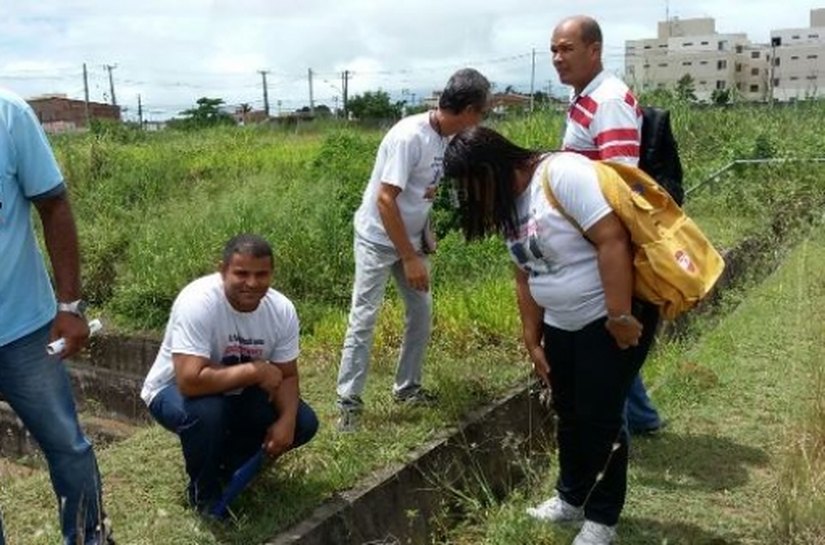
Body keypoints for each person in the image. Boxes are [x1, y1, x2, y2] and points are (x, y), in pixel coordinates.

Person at [443, 127, 659, 544]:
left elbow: (611, 240)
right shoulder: (509, 203)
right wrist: (532, 338)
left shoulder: (560, 175)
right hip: (562, 324)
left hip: (607, 319)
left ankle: (602, 520)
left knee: (601, 417)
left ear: (491, 169)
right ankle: (570, 499)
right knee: (569, 413)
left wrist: (618, 315)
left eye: (472, 185)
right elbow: (524, 274)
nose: (472, 197)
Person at [335, 68, 491, 432]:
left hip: (411, 239)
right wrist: (408, 258)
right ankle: (349, 402)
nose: (480, 120)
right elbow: (386, 199)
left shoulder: (447, 138)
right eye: (481, 112)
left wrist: (426, 231)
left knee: (420, 312)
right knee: (364, 317)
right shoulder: (410, 137)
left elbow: (422, 191)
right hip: (378, 239)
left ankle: (407, 388)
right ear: (467, 109)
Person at [0, 88, 112, 544]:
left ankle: (89, 537)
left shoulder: (8, 115)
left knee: (66, 444)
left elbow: (54, 205)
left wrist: (70, 307)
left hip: (25, 328)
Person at [140, 234, 319, 515]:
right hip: (171, 390)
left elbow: (287, 375)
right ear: (222, 270)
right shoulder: (198, 301)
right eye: (241, 273)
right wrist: (255, 371)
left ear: (272, 274)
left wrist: (286, 420)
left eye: (261, 274)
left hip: (234, 393)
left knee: (303, 422)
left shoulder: (281, 310)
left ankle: (228, 470)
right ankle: (204, 495)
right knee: (208, 412)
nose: (252, 283)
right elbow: (189, 381)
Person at [551, 15, 663, 436]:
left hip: (602, 237)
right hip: (590, 236)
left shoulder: (609, 101)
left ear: (594, 50)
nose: (558, 58)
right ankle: (640, 416)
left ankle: (614, 430)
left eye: (567, 48)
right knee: (605, 334)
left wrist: (608, 248)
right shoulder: (585, 97)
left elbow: (620, 183)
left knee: (606, 332)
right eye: (554, 50)